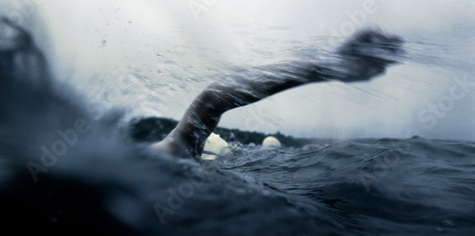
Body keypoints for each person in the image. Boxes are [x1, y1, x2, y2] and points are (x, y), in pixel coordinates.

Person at [151, 27, 403, 159]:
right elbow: (210, 101)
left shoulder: (150, 163)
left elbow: (211, 100)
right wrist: (326, 67)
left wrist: (328, 66)